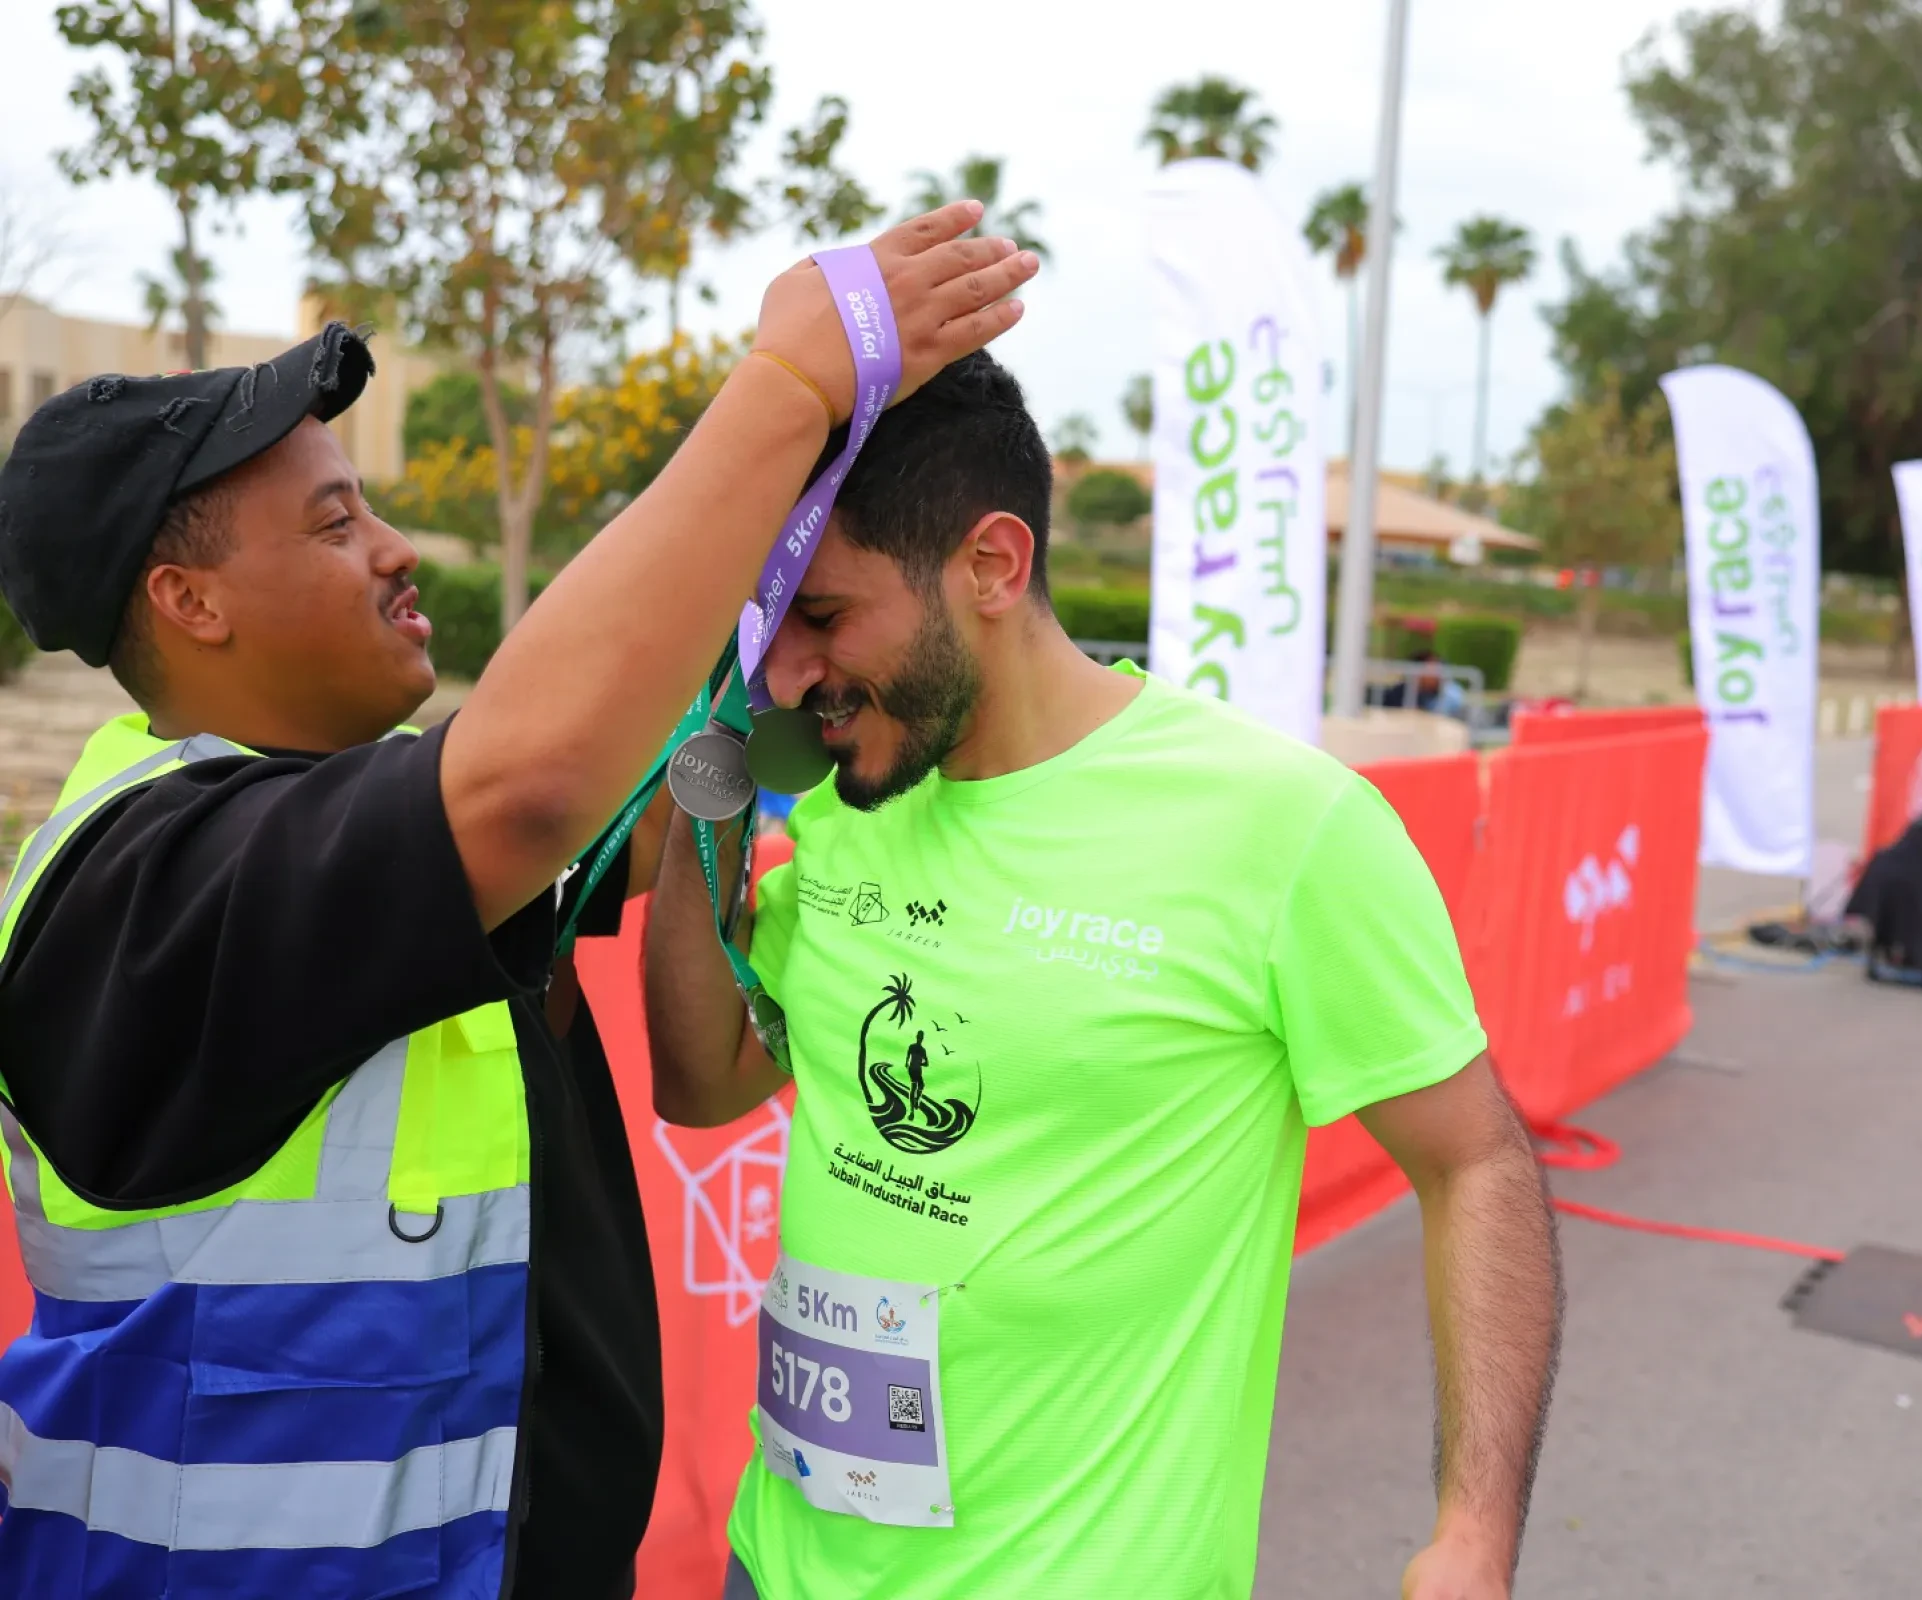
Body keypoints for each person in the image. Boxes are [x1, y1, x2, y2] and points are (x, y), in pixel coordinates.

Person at [0, 206, 1036, 1598]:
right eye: (335, 522)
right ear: (190, 601)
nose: (397, 550)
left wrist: (807, 687)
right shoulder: (153, 879)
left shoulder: (349, 831)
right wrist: (790, 383)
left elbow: (646, 802)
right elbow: (535, 783)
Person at [644, 353, 1563, 1600]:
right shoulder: (858, 788)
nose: (794, 673)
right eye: (770, 625)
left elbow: (1474, 1162)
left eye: (824, 616)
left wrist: (1473, 1531)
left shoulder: (1282, 825)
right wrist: (712, 777)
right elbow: (702, 1082)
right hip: (780, 1564)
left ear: (990, 564)